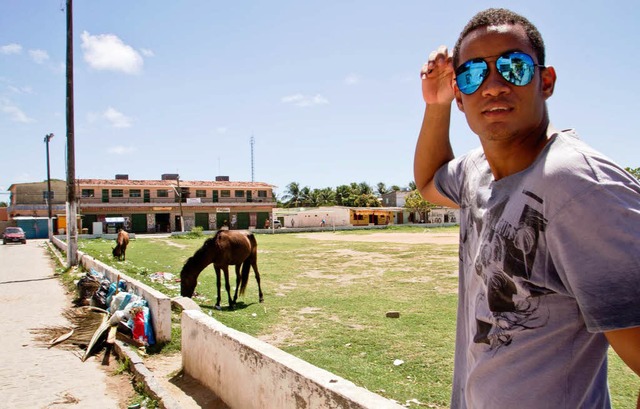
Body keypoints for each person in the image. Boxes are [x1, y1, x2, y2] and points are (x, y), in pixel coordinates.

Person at [414, 8, 640, 409]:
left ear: (546, 81)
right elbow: (430, 180)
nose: (493, 86)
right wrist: (437, 104)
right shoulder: (476, 171)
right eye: (473, 75)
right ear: (462, 95)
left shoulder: (580, 186)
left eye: (513, 67)